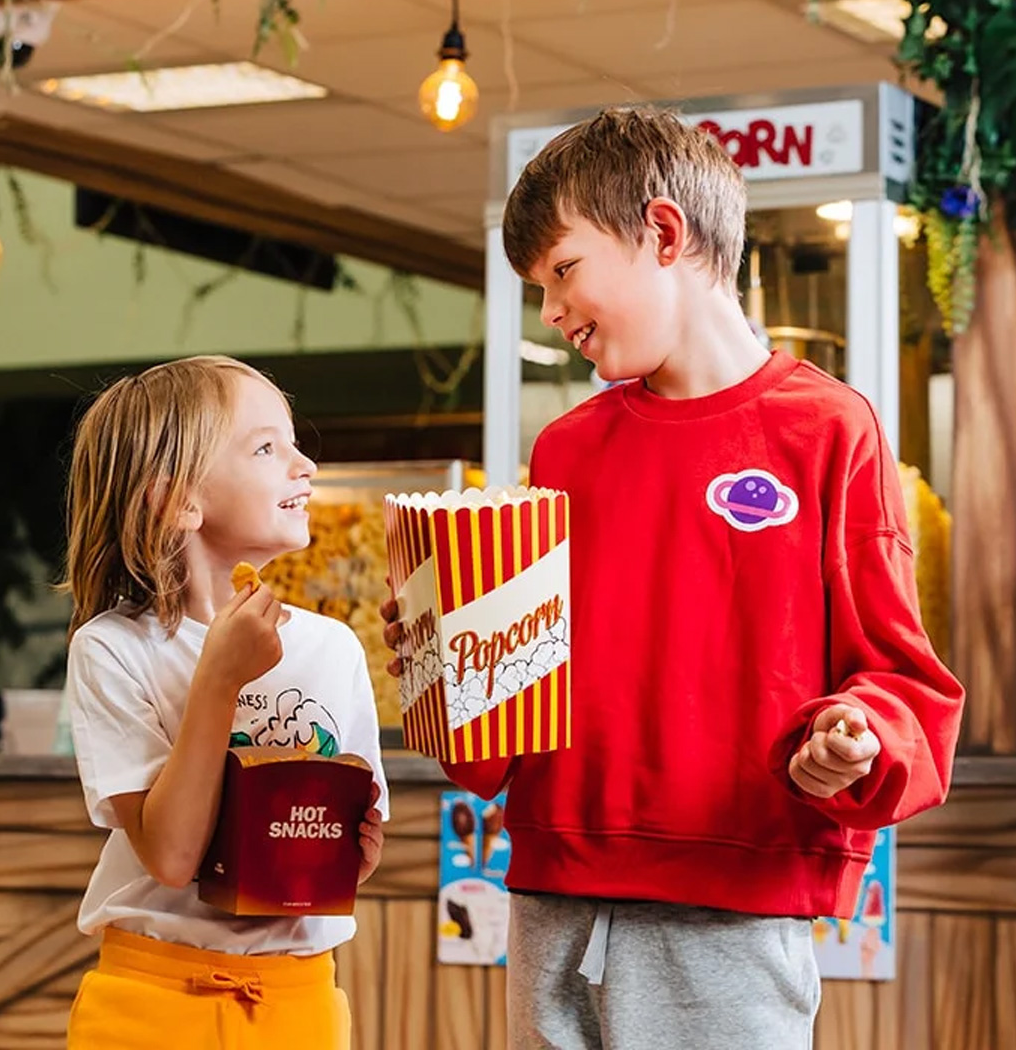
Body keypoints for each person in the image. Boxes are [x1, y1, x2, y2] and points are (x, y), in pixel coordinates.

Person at [383, 108, 964, 1049]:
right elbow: (495, 740)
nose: (552, 312)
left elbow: (901, 680)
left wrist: (853, 742)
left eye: (564, 270)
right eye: (538, 288)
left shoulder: (828, 432)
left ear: (662, 233)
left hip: (734, 914)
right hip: (550, 903)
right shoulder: (565, 451)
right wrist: (436, 656)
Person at [61, 355, 388, 1050]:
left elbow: (345, 849)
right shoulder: (112, 649)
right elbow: (173, 857)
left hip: (303, 1001)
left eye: (295, 442)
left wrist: (357, 847)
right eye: (268, 447)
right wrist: (219, 680)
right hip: (153, 1002)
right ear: (178, 500)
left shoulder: (334, 649)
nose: (305, 465)